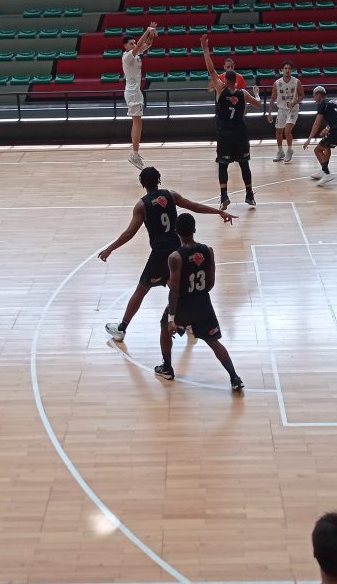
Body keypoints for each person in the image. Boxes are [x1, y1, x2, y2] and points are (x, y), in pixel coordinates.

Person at [100, 166, 236, 342]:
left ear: (142, 184)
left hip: (160, 255)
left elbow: (129, 233)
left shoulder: (142, 205)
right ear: (159, 180)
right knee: (182, 288)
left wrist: (110, 248)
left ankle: (122, 328)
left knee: (142, 290)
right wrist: (219, 211)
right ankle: (189, 322)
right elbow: (194, 206)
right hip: (179, 251)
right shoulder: (171, 195)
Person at [155, 213, 244, 392]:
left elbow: (174, 290)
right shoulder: (208, 251)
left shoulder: (175, 257)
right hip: (204, 303)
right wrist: (199, 294)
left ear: (176, 231)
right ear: (194, 229)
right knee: (214, 342)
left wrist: (172, 318)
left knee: (165, 328)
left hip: (182, 305)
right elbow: (211, 283)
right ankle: (234, 378)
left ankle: (167, 368)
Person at [201, 35, 262, 209]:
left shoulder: (221, 90)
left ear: (225, 80)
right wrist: (257, 94)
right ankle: (249, 195)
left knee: (222, 165)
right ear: (235, 81)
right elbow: (258, 104)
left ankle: (224, 197)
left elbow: (211, 70)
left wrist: (205, 49)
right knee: (244, 164)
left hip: (225, 134)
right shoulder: (243, 93)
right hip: (240, 133)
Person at [122, 22, 159, 169]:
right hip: (132, 93)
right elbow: (138, 47)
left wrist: (151, 33)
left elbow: (148, 44)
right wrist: (147, 30)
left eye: (134, 43)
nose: (134, 45)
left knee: (137, 123)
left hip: (135, 92)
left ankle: (135, 152)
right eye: (131, 43)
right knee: (137, 123)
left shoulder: (135, 54)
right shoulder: (127, 56)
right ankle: (135, 155)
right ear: (125, 46)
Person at [303, 87, 337, 186]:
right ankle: (323, 170)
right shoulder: (333, 102)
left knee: (317, 150)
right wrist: (327, 128)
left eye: (314, 96)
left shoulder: (322, 104)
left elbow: (316, 123)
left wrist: (309, 139)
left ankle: (327, 173)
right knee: (326, 147)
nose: (313, 98)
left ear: (319, 95)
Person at [269, 61, 304, 162]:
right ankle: (280, 152)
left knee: (287, 131)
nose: (287, 70)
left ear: (291, 70)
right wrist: (270, 113)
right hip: (281, 110)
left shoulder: (296, 82)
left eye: (289, 68)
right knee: (278, 132)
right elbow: (273, 98)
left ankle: (289, 150)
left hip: (293, 110)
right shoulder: (277, 83)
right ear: (282, 70)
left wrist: (294, 102)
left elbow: (302, 95)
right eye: (285, 68)